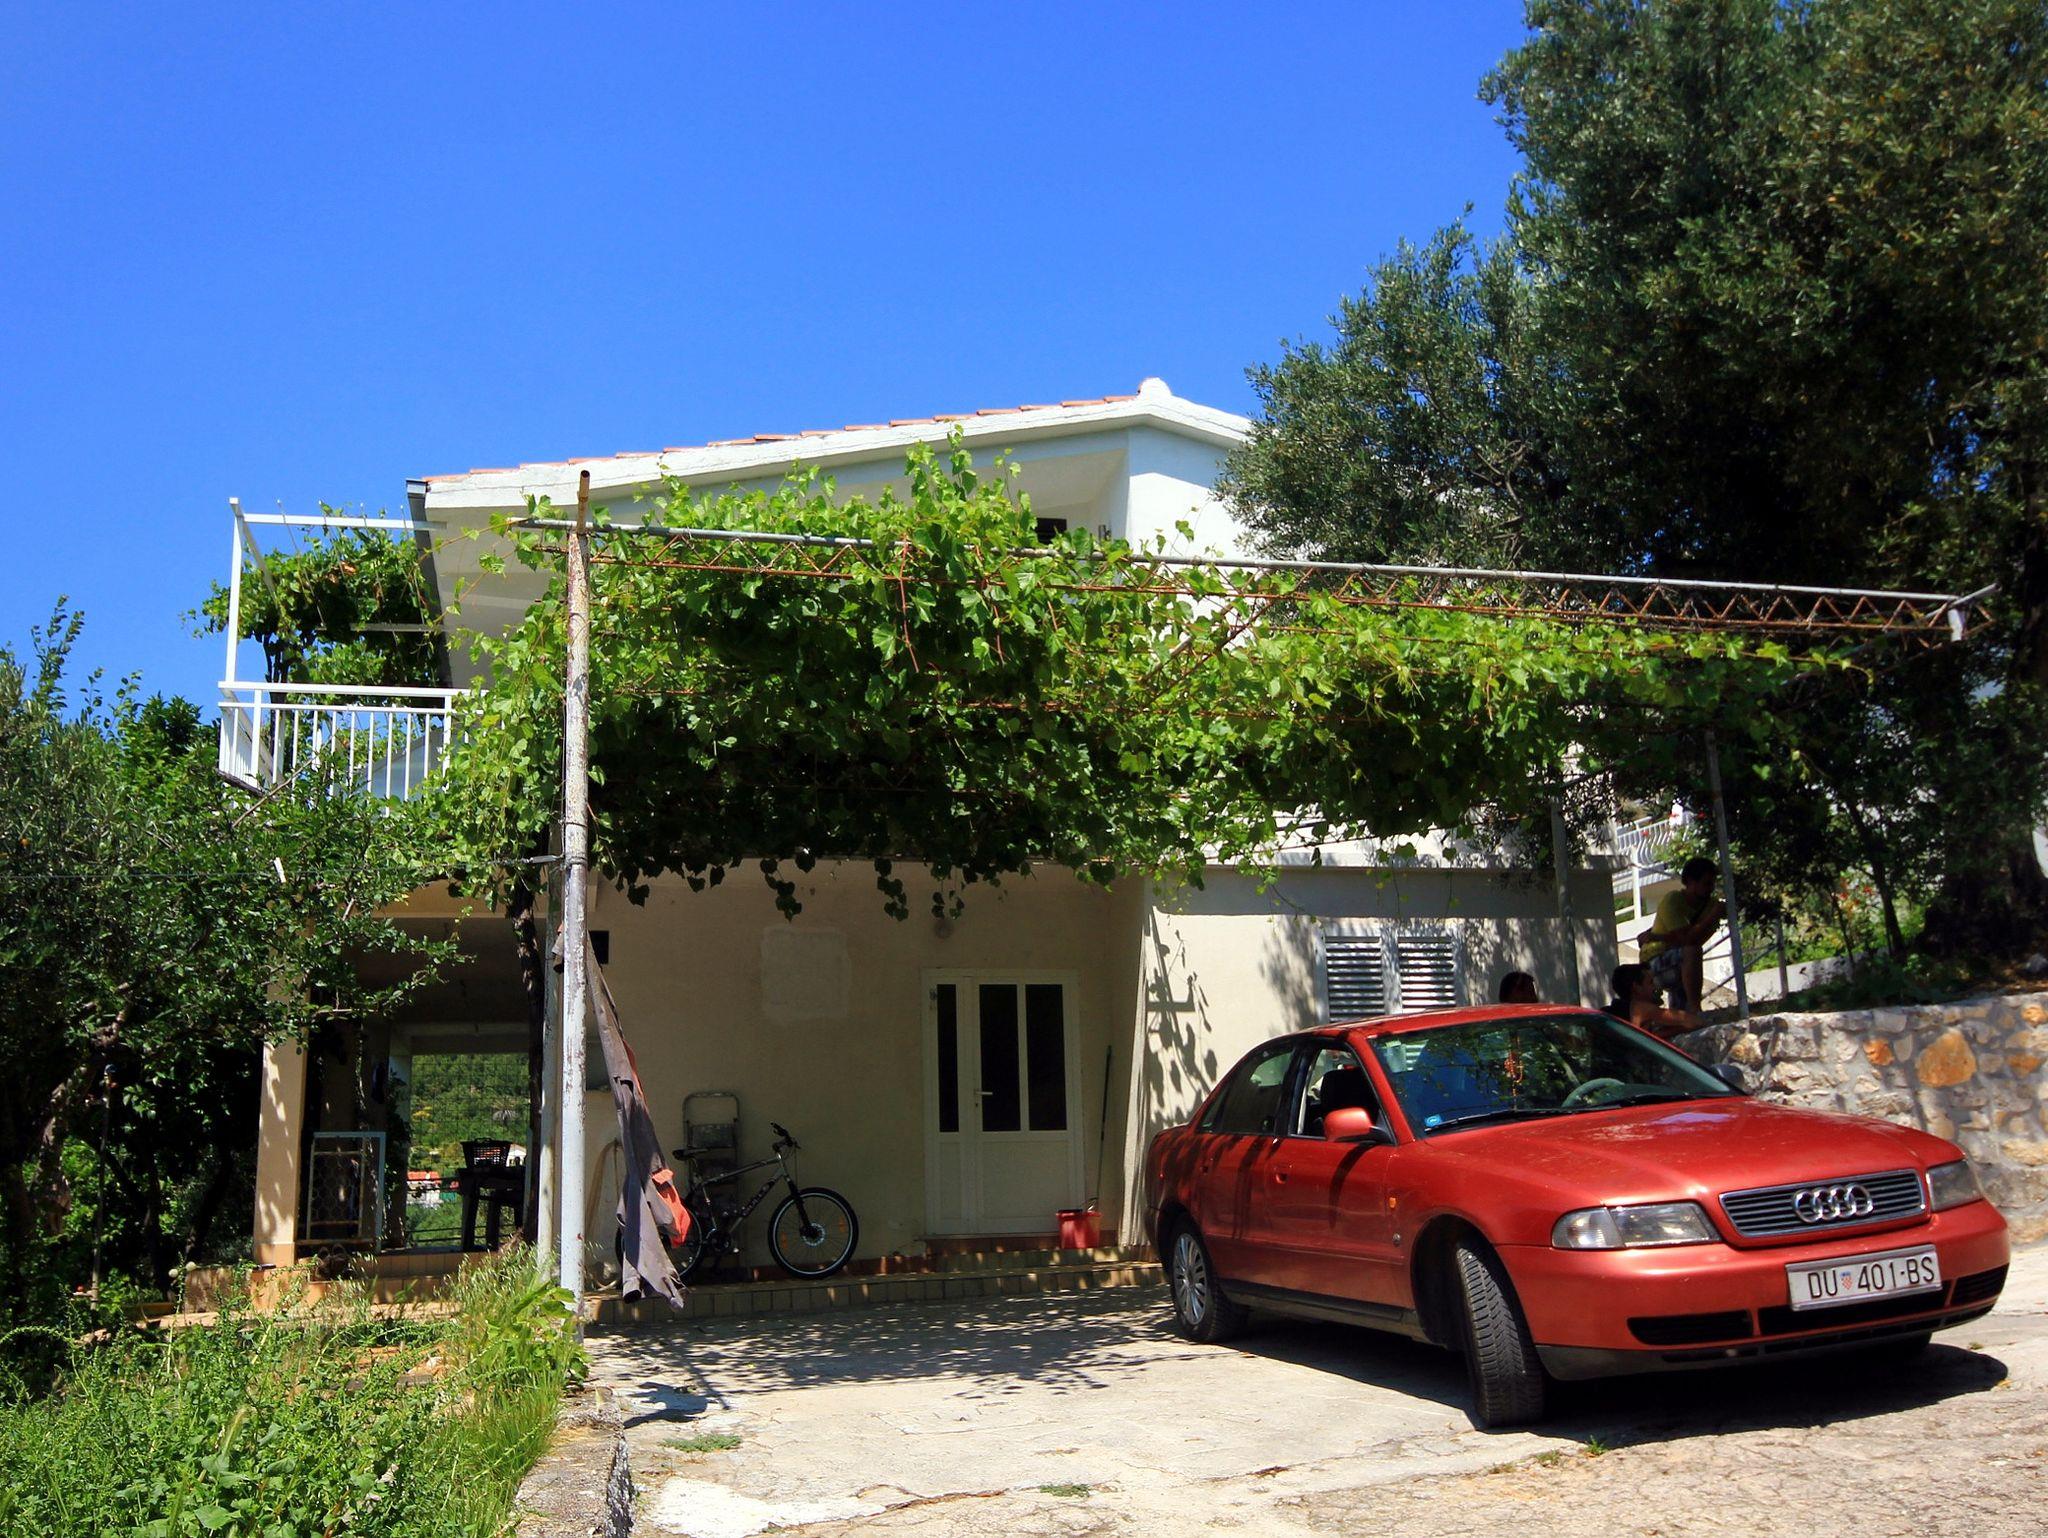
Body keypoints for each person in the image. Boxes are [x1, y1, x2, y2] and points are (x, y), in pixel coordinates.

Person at [1638, 856, 1724, 1013]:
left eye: (1712, 883)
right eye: (1706, 883)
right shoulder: (1673, 900)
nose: (1711, 888)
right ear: (1690, 882)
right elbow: (1686, 940)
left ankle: (1685, 1016)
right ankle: (1695, 1009)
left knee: (1681, 1011)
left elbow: (1694, 940)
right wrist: (1712, 917)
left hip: (1681, 960)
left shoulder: (1711, 906)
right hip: (1654, 962)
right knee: (1691, 952)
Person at [1603, 963, 1699, 1040]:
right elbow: (1695, 1021)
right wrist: (1657, 1035)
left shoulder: (1613, 1011)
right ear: (1636, 987)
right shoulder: (1641, 1009)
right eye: (1651, 982)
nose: (1655, 987)